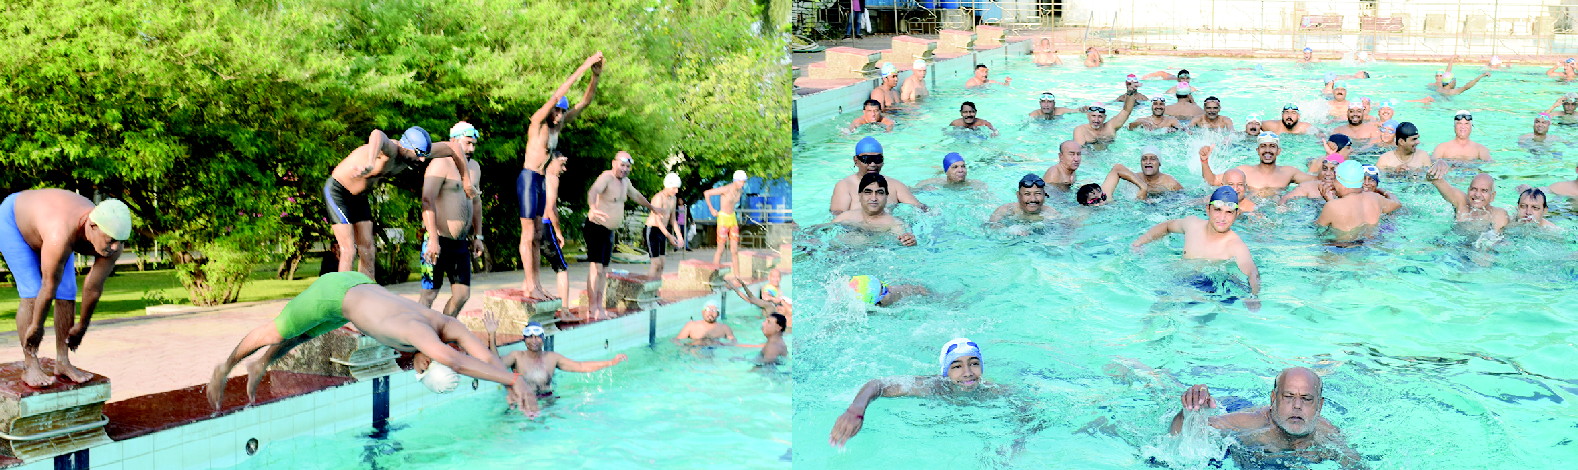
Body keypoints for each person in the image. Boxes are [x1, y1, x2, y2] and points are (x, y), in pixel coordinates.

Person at [206, 272, 536, 413]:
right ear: (426, 363)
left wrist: (506, 383)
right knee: (274, 332)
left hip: (357, 289)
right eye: (421, 372)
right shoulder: (421, 336)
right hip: (333, 295)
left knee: (302, 334)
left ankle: (261, 363)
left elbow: (477, 355)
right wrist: (514, 379)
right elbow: (458, 362)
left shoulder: (444, 325)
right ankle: (226, 366)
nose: (415, 369)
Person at [0, 191, 130, 387]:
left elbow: (93, 287)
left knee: (67, 290)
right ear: (92, 226)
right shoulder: (60, 235)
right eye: (111, 240)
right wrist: (37, 326)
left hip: (49, 222)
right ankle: (30, 365)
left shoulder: (113, 241)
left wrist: (83, 325)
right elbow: (48, 286)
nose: (115, 247)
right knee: (33, 292)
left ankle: (63, 362)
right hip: (14, 222)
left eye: (120, 242)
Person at [327, 126, 468, 279]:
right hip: (338, 191)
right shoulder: (392, 149)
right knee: (348, 249)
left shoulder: (417, 151)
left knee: (367, 249)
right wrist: (370, 162)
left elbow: (454, 147)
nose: (422, 160)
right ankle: (341, 297)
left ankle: (366, 292)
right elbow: (377, 134)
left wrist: (466, 182)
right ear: (406, 147)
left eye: (424, 155)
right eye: (419, 155)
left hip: (360, 196)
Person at [520, 52, 603, 299]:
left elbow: (585, 103)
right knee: (527, 235)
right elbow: (558, 94)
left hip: (540, 182)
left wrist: (595, 76)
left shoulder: (560, 125)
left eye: (561, 112)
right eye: (555, 111)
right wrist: (585, 65)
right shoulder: (538, 123)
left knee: (537, 235)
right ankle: (530, 284)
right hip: (527, 178)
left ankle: (533, 284)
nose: (558, 116)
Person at [1170, 367, 1366, 470]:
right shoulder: (1250, 424)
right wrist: (1190, 411)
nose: (1297, 406)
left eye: (1306, 399)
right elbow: (1181, 438)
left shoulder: (1328, 435)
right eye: (1288, 397)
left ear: (1320, 406)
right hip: (1234, 406)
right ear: (1274, 399)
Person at [828, 338, 998, 448]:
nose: (968, 372)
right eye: (957, 366)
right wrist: (855, 409)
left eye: (974, 363)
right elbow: (878, 384)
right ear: (945, 372)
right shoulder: (930, 387)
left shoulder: (992, 391)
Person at [1130, 186, 1262, 307]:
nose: (1222, 217)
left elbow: (1253, 272)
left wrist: (1253, 296)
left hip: (1212, 291)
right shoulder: (1193, 225)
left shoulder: (1236, 246)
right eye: (1218, 210)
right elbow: (1167, 226)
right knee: (1156, 310)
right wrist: (1139, 242)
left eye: (1229, 212)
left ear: (1236, 215)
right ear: (1207, 209)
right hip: (1181, 281)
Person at [586, 152, 667, 320]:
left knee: (604, 271)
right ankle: (592, 308)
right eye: (622, 165)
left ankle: (599, 307)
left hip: (609, 231)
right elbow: (593, 190)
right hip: (596, 227)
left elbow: (636, 196)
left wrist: (653, 208)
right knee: (597, 269)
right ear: (614, 163)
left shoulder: (625, 183)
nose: (624, 169)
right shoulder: (606, 177)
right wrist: (593, 207)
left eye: (628, 167)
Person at [418, 122, 485, 317]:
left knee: (462, 294)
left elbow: (477, 202)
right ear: (454, 141)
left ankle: (443, 332)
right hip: (436, 241)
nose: (471, 149)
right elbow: (427, 199)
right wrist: (432, 239)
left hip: (460, 244)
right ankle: (415, 340)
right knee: (428, 295)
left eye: (474, 144)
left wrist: (478, 236)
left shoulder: (474, 168)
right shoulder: (441, 163)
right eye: (467, 144)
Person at [487, 318, 626, 407]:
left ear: (543, 339)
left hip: (549, 402)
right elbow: (496, 366)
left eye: (537, 337)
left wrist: (611, 362)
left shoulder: (552, 358)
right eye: (530, 337)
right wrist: (492, 335)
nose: (534, 341)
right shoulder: (517, 357)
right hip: (523, 403)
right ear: (524, 339)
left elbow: (581, 366)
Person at [1199, 133, 1318, 200]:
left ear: (1278, 151)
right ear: (1257, 150)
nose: (1267, 150)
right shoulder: (1244, 171)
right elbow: (1213, 180)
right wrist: (1204, 161)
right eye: (1263, 146)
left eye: (1272, 146)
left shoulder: (1289, 172)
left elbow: (1317, 180)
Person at [830, 137, 927, 215]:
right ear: (856, 160)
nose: (873, 164)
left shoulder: (894, 184)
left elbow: (921, 209)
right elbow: (837, 219)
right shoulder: (845, 186)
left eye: (877, 159)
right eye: (867, 159)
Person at [1315, 161, 1402, 243]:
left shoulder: (1332, 206)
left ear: (1340, 182)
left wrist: (1330, 201)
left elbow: (1318, 231)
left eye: (1335, 180)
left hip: (1343, 249)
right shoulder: (1375, 197)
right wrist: (1384, 192)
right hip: (1372, 244)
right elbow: (1397, 204)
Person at [833, 173, 919, 246]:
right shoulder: (846, 216)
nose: (873, 198)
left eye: (879, 193)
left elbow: (901, 244)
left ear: (887, 196)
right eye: (868, 192)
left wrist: (908, 241)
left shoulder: (894, 224)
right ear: (860, 195)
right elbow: (823, 230)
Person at [536, 154, 573, 316]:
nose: (564, 168)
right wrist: (558, 232)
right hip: (544, 225)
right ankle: (564, 310)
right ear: (551, 161)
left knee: (533, 265)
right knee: (561, 268)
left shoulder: (536, 176)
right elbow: (550, 208)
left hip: (533, 226)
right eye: (561, 164)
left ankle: (537, 292)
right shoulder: (551, 178)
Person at [1427, 160, 1509, 233]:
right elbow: (1434, 179)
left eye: (1484, 191)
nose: (1477, 195)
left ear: (1492, 196)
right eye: (1474, 189)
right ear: (1468, 190)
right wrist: (1439, 163)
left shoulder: (1498, 214)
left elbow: (1497, 242)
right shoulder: (1461, 202)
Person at [706, 170, 749, 271]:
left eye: (744, 182)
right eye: (740, 182)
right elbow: (707, 193)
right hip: (723, 219)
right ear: (735, 181)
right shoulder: (726, 189)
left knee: (734, 251)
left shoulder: (740, 191)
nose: (742, 184)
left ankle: (737, 276)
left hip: (732, 219)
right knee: (721, 249)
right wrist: (711, 208)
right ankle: (714, 274)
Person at [645, 173, 683, 278]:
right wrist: (669, 235)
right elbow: (657, 220)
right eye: (674, 188)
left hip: (662, 231)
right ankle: (647, 289)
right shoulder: (659, 198)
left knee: (662, 265)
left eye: (677, 188)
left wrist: (679, 236)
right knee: (655, 264)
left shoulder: (673, 199)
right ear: (667, 186)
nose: (676, 191)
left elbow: (673, 219)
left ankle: (655, 289)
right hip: (652, 230)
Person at [725, 277, 793, 334]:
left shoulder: (770, 306)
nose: (778, 307)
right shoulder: (771, 306)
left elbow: (749, 299)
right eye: (764, 293)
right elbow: (751, 297)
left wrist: (733, 286)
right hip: (759, 322)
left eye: (767, 294)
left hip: (758, 323)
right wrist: (742, 285)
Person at [1073, 93, 1141, 149]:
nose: (1096, 120)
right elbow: (1080, 152)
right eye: (1093, 116)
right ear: (1088, 115)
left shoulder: (1110, 127)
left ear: (1105, 117)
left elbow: (1127, 111)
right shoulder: (1080, 130)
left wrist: (1130, 92)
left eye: (1100, 117)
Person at [989, 174, 1057, 225]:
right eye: (1027, 194)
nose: (1033, 199)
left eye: (1038, 193)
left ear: (1044, 195)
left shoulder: (1050, 213)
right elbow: (989, 228)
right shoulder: (1007, 210)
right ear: (1018, 195)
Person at [1075, 165, 1151, 206]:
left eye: (1103, 197)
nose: (1102, 202)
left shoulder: (1107, 199)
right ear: (1084, 204)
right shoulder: (1083, 213)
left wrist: (1143, 187)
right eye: (1096, 201)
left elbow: (1117, 169)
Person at [916, 152, 988, 191]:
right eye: (955, 167)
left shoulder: (976, 184)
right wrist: (922, 189)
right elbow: (910, 190)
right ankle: (939, 170)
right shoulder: (935, 182)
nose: (960, 170)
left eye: (963, 166)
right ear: (946, 172)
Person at [848, 274, 929, 307]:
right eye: (884, 290)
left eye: (883, 284)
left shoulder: (905, 290)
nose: (889, 287)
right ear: (877, 304)